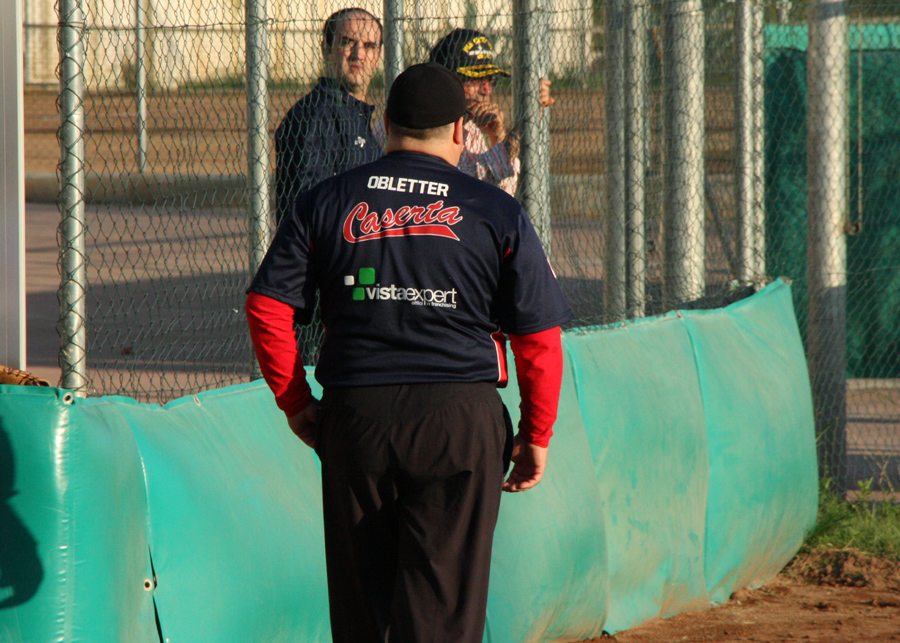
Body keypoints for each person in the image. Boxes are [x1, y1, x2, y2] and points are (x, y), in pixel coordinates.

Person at [246, 63, 572, 643]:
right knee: (442, 613)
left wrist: (296, 401)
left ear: (386, 125)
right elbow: (540, 338)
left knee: (363, 613)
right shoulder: (494, 209)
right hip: (459, 422)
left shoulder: (327, 199)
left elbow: (267, 307)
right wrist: (536, 433)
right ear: (458, 133)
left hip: (357, 419)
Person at [274, 8, 384, 224]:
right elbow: (308, 213)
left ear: (378, 56)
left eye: (369, 46)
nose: (358, 54)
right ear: (326, 49)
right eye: (347, 42)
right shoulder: (315, 116)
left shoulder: (354, 113)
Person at [428, 28, 556, 197]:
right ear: (447, 80)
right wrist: (526, 119)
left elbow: (502, 194)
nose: (487, 89)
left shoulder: (472, 130)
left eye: (491, 80)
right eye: (475, 78)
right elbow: (467, 191)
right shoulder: (425, 126)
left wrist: (497, 136)